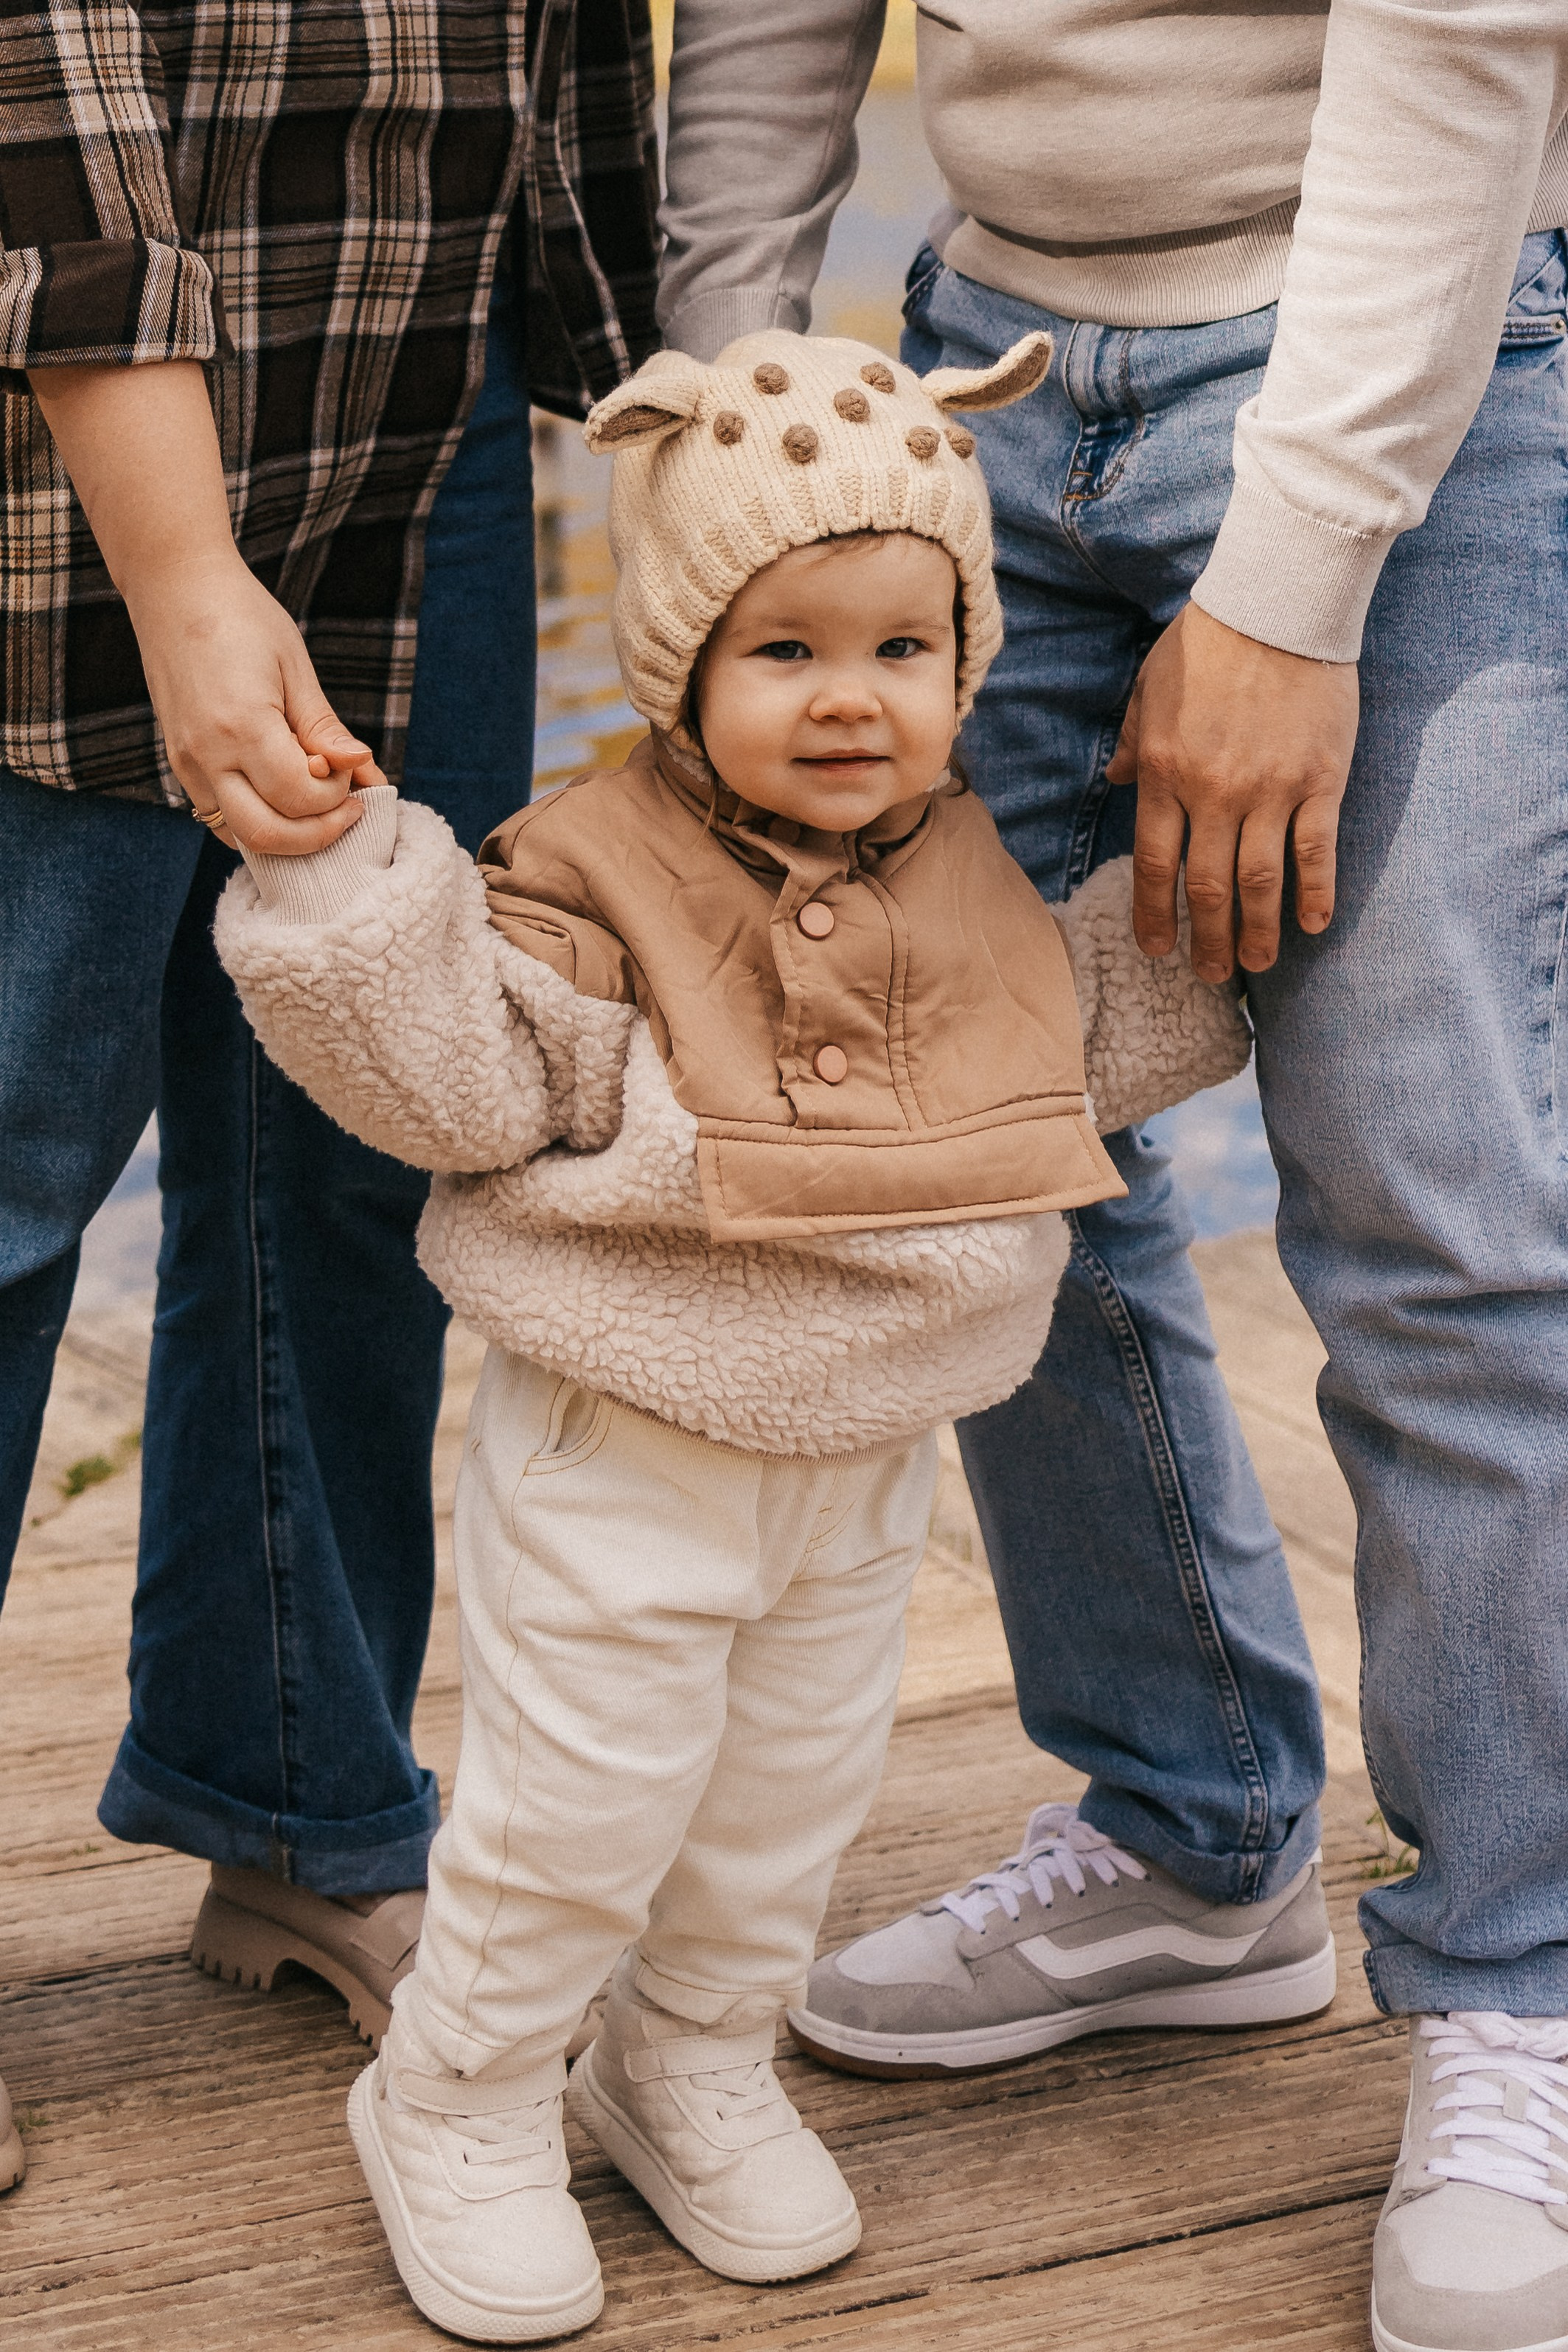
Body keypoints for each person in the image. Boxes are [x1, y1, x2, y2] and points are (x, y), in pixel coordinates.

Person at [659, 9, 1568, 2350]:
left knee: (1434, 1214)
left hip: (1422, 354)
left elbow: (1466, 37)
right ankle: (1194, 1828)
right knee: (961, 1153)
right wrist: (739, 412)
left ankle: (1523, 1979)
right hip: (991, 367)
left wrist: (1291, 583)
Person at [210, 327, 1259, 2339]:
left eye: (904, 648)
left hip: (865, 1456)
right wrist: (345, 898)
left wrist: (1217, 912)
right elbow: (465, 1088)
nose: (852, 698)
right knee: (579, 1809)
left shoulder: (973, 872)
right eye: (784, 650)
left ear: (966, 661)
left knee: (787, 1800)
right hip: (629, 1432)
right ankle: (460, 2092)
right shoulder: (588, 871)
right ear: (679, 660)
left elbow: (1074, 1052)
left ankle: (688, 2052)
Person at [0, 0, 657, 2189]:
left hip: (418, 384)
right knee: (7, 1194)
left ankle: (300, 1803)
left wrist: (648, 379)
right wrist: (183, 572)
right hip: (53, 399)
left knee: (363, 1136)